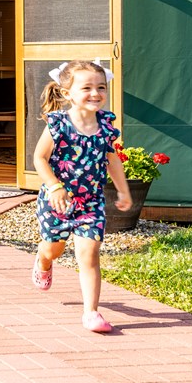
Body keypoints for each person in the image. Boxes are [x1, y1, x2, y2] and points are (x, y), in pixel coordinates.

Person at [31, 59, 132, 333]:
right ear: (68, 94)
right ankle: (43, 260)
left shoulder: (106, 126)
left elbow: (112, 160)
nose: (95, 93)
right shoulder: (59, 124)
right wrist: (54, 186)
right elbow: (40, 158)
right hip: (57, 201)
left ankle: (91, 313)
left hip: (91, 201)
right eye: (86, 87)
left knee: (89, 253)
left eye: (101, 87)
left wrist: (122, 190)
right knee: (54, 248)